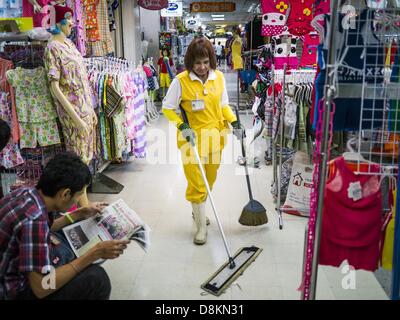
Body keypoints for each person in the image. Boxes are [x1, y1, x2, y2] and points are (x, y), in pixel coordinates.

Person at [0, 152, 130, 300]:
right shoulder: (34, 220)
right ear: (66, 194)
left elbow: (44, 228)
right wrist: (93, 254)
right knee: (97, 279)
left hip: (12, 268)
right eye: (79, 194)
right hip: (15, 291)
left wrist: (78, 214)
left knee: (66, 245)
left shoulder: (26, 193)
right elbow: (41, 288)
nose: (77, 202)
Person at [162, 37, 243, 245]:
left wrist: (233, 122)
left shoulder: (219, 77)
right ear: (190, 62)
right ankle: (200, 227)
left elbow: (224, 105)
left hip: (216, 136)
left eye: (206, 62)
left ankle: (198, 209)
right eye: (197, 63)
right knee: (197, 182)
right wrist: (182, 126)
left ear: (211, 61)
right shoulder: (181, 81)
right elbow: (168, 108)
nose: (202, 67)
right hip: (192, 139)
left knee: (210, 179)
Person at [44, 5, 97, 207]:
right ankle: (81, 207)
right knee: (77, 161)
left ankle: (84, 204)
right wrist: (75, 117)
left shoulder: (70, 45)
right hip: (72, 113)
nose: (72, 23)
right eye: (68, 19)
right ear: (57, 22)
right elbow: (55, 87)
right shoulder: (52, 48)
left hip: (84, 110)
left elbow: (83, 80)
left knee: (86, 159)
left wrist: (90, 109)